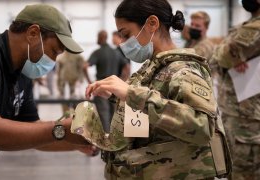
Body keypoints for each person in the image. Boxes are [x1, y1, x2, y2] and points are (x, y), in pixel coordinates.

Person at [78, 0, 232, 179]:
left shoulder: (183, 70)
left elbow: (203, 127)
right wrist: (116, 96)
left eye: (126, 34)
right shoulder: (153, 68)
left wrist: (131, 94)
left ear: (152, 24)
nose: (122, 43)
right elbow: (150, 116)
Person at [0, 4, 96, 179]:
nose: (53, 61)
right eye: (53, 51)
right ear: (32, 34)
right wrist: (60, 129)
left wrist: (73, 143)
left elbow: (33, 130)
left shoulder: (22, 72)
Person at [212, 0, 260, 179]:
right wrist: (227, 56)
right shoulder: (246, 26)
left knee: (244, 172)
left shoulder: (255, 28)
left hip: (248, 116)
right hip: (240, 111)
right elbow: (216, 59)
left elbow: (223, 56)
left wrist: (226, 56)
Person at [83, 30, 121, 133]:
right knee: (115, 114)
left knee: (103, 114)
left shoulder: (98, 52)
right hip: (115, 86)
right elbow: (126, 67)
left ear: (100, 38)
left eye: (97, 37)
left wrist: (90, 81)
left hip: (101, 87)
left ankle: (106, 140)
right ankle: (114, 140)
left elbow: (85, 66)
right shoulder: (116, 52)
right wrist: (122, 80)